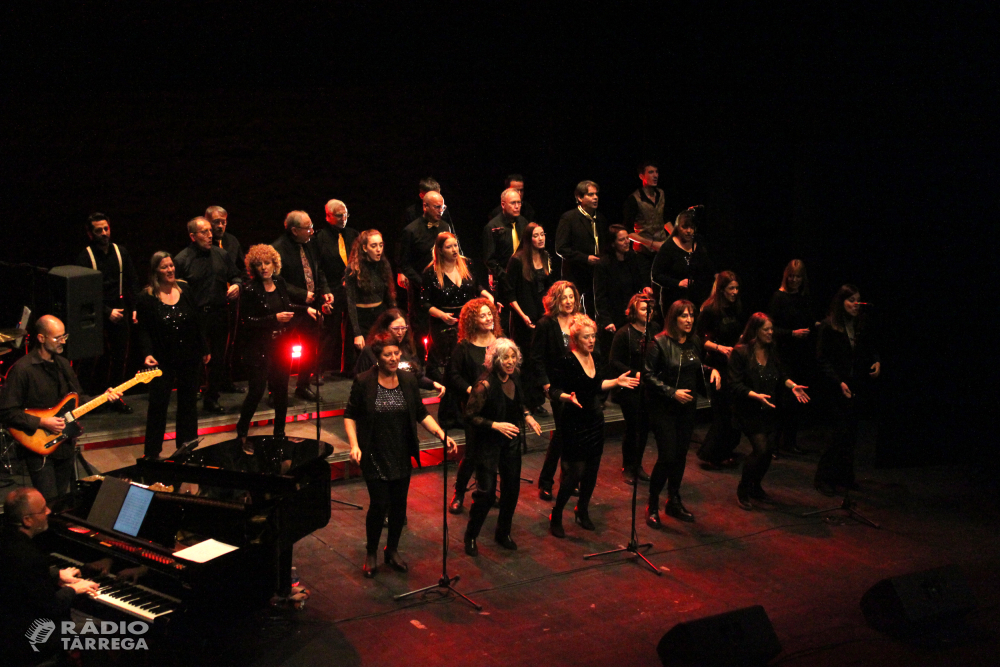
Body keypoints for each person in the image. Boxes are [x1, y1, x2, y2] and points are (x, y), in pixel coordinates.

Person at [346, 333, 457, 578]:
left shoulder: (407, 380)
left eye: (396, 353)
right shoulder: (364, 381)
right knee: (379, 505)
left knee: (399, 506)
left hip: (400, 451)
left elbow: (420, 412)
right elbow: (350, 415)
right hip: (374, 453)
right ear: (377, 357)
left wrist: (441, 434)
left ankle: (392, 549)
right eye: (388, 354)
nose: (394, 358)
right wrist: (354, 445)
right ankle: (371, 551)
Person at [0, 316, 120, 500]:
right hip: (39, 449)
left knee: (63, 501)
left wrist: (104, 398)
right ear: (41, 338)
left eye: (64, 336)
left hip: (65, 445)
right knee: (49, 502)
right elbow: (7, 412)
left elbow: (79, 400)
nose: (62, 342)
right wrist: (42, 421)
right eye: (57, 338)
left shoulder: (63, 364)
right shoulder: (22, 370)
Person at [548, 315, 639, 537]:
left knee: (592, 471)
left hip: (595, 419)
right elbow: (553, 390)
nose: (591, 340)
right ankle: (557, 513)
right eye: (586, 337)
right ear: (576, 339)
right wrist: (566, 398)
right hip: (575, 421)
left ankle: (583, 510)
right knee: (575, 472)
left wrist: (617, 382)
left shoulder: (595, 357)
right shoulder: (567, 361)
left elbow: (597, 384)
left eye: (593, 336)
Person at [0, 487, 101, 665]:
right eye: (43, 509)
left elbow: (20, 573)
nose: (49, 512)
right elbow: (51, 606)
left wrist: (56, 574)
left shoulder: (7, 538)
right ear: (27, 520)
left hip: (9, 625)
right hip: (26, 635)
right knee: (103, 627)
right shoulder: (29, 556)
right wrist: (73, 589)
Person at [643, 300, 721, 526]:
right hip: (664, 409)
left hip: (687, 408)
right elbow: (647, 375)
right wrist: (671, 392)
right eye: (684, 316)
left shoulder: (694, 341)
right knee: (667, 455)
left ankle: (673, 500)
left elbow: (694, 365)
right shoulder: (658, 343)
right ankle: (653, 502)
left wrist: (711, 369)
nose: (689, 320)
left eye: (691, 316)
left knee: (679, 456)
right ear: (673, 318)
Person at [462, 338, 542, 556]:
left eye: (513, 357)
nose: (510, 361)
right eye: (505, 357)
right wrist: (495, 425)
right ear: (495, 359)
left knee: (511, 490)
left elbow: (520, 403)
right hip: (488, 443)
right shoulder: (484, 385)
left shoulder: (515, 378)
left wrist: (527, 417)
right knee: (486, 493)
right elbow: (470, 416)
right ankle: (471, 535)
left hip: (511, 441)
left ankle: (503, 532)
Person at [235, 245, 314, 453]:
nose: (263, 268)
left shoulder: (279, 283)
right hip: (260, 348)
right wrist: (273, 319)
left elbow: (287, 307)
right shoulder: (250, 289)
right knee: (257, 391)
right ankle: (241, 433)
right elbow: (246, 321)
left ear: (274, 264)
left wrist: (307, 309)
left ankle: (279, 433)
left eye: (267, 263)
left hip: (280, 345)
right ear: (253, 267)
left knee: (281, 391)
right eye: (259, 264)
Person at [729, 313, 811, 510]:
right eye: (766, 329)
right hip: (749, 409)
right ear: (756, 330)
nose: (770, 333)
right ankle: (744, 488)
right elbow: (734, 384)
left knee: (768, 452)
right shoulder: (740, 353)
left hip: (769, 408)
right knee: (761, 449)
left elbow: (781, 374)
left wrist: (792, 386)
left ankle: (756, 486)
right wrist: (754, 395)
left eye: (771, 329)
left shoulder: (772, 350)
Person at [135, 252, 209, 460]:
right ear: (155, 272)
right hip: (162, 359)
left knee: (188, 404)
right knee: (158, 405)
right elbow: (144, 330)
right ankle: (152, 453)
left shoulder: (185, 289)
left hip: (190, 356)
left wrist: (204, 348)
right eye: (164, 267)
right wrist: (147, 353)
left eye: (171, 266)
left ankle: (186, 448)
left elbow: (197, 321)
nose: (170, 270)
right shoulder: (146, 297)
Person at [814, 285, 881, 496]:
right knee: (836, 434)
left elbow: (870, 346)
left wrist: (877, 361)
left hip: (855, 384)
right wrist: (837, 382)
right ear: (841, 302)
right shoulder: (829, 326)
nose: (856, 304)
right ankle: (824, 478)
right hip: (835, 386)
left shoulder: (861, 323)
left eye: (858, 300)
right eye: (851, 300)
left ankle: (844, 476)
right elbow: (822, 359)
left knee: (851, 434)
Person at [174, 216, 242, 413]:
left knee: (219, 359)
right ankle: (190, 397)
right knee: (195, 361)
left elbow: (236, 275)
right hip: (196, 318)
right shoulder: (182, 260)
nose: (210, 235)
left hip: (220, 314)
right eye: (205, 232)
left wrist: (237, 285)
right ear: (193, 236)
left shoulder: (221, 255)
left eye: (210, 231)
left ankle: (212, 397)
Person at [74, 211, 138, 412]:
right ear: (90, 233)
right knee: (91, 358)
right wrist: (106, 312)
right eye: (98, 230)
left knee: (120, 358)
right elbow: (82, 293)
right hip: (95, 314)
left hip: (120, 310)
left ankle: (116, 398)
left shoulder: (121, 252)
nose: (104, 233)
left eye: (106, 228)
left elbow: (132, 281)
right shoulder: (85, 256)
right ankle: (85, 400)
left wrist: (135, 308)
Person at [445, 298, 503, 513]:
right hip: (473, 408)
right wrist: (472, 391)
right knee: (473, 453)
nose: (488, 318)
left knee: (493, 451)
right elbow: (452, 375)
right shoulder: (464, 346)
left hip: (496, 406)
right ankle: (459, 491)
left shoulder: (500, 341)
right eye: (483, 315)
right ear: (472, 320)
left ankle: (487, 491)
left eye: (490, 314)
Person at [271, 211, 334, 402]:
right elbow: (276, 280)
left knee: (310, 348)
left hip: (311, 307)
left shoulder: (310, 244)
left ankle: (303, 385)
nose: (312, 231)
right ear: (294, 230)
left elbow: (318, 270)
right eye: (307, 228)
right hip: (289, 308)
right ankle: (276, 391)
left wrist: (325, 290)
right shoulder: (278, 249)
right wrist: (302, 295)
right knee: (281, 353)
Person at [531, 280, 583, 499]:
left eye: (572, 297)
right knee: (562, 433)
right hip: (556, 385)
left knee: (574, 433)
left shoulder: (581, 322)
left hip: (578, 383)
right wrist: (545, 384)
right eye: (564, 297)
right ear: (555, 300)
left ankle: (568, 478)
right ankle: (546, 481)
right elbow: (536, 357)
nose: (569, 301)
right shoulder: (546, 324)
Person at [421, 232, 492, 383]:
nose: (454, 250)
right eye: (449, 247)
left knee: (470, 358)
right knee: (451, 362)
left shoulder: (467, 264)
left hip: (468, 318)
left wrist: (488, 295)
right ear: (440, 250)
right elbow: (424, 303)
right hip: (445, 322)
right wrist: (441, 315)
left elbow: (477, 285)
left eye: (455, 245)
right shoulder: (431, 272)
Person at [502, 222, 554, 415]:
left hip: (543, 315)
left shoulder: (546, 256)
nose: (541, 238)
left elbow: (549, 287)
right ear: (528, 238)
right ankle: (523, 403)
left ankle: (537, 400)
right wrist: (523, 316)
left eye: (542, 234)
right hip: (524, 316)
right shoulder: (517, 260)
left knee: (539, 359)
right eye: (536, 235)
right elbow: (510, 293)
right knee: (525, 360)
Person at [696, 271, 746, 469]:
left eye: (736, 288)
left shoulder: (735, 307)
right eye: (731, 288)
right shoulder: (709, 310)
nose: (735, 292)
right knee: (722, 411)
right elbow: (698, 339)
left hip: (733, 363)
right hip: (716, 363)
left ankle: (725, 449)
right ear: (722, 289)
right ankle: (711, 453)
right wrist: (719, 348)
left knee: (734, 410)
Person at [767, 259, 816, 456]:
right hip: (783, 353)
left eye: (798, 277)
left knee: (798, 400)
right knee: (782, 400)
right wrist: (791, 333)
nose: (794, 280)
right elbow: (770, 329)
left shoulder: (804, 298)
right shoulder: (778, 297)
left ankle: (790, 442)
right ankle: (773, 444)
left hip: (801, 355)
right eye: (792, 276)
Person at [396, 189, 459, 332]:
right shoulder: (411, 231)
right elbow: (405, 264)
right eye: (437, 207)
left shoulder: (444, 226)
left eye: (442, 207)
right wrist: (423, 283)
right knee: (421, 328)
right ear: (425, 207)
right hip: (420, 288)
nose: (440, 211)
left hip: (444, 286)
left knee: (445, 326)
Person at [608, 294, 654, 485]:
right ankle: (628, 466)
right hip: (631, 387)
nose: (647, 313)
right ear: (634, 312)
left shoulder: (654, 331)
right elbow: (613, 361)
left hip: (649, 387)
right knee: (633, 426)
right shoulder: (624, 333)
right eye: (644, 309)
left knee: (644, 428)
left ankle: (638, 465)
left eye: (649, 309)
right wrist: (634, 373)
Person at [353, 308, 445, 398]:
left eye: (403, 328)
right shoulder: (370, 351)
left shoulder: (408, 348)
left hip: (407, 399)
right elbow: (360, 381)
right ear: (385, 328)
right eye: (396, 328)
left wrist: (433, 384)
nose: (400, 332)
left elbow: (417, 377)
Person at [314, 199, 360, 375]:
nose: (343, 218)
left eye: (346, 215)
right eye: (339, 215)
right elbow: (318, 267)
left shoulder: (353, 234)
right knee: (329, 333)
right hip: (332, 289)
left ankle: (349, 367)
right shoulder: (320, 238)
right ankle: (318, 370)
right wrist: (325, 290)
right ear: (328, 216)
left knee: (352, 329)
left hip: (351, 288)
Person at [206, 205, 247, 394]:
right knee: (208, 345)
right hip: (209, 303)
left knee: (229, 343)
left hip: (231, 301)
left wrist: (238, 285)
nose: (220, 226)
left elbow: (241, 270)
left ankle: (226, 380)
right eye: (216, 222)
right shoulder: (203, 243)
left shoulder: (231, 241)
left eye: (223, 222)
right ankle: (204, 385)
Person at [593, 224, 652, 354]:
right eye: (622, 240)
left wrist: (645, 287)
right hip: (613, 317)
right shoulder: (603, 264)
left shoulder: (632, 258)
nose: (627, 242)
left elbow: (639, 280)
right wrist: (606, 320)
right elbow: (600, 296)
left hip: (630, 314)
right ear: (613, 243)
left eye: (627, 238)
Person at [555, 180, 608, 316]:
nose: (595, 197)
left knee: (594, 311)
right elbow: (561, 248)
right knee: (573, 312)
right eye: (590, 195)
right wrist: (585, 258)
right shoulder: (569, 218)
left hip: (596, 273)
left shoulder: (600, 218)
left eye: (596, 194)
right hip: (575, 273)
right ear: (579, 197)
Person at [651, 206, 716, 315]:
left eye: (692, 227)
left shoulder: (699, 242)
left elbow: (708, 267)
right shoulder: (669, 247)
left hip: (697, 299)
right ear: (677, 227)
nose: (689, 231)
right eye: (685, 227)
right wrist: (677, 283)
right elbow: (656, 275)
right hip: (674, 300)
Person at [345, 229, 397, 356]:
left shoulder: (383, 265)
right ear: (364, 247)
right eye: (374, 246)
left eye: (381, 245)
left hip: (379, 316)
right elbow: (350, 302)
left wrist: (395, 318)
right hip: (361, 318)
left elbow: (389, 296)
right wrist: (357, 333)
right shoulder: (353, 269)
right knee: (363, 360)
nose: (378, 249)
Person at [624, 161, 671, 285]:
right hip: (642, 253)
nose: (655, 175)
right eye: (650, 172)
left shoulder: (661, 194)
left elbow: (664, 220)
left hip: (661, 250)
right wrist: (652, 244)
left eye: (656, 172)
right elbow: (628, 232)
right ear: (641, 176)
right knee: (647, 286)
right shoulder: (634, 199)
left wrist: (676, 237)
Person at [482, 187, 529, 299]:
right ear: (503, 205)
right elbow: (488, 259)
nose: (517, 206)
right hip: (503, 280)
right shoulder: (492, 227)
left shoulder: (523, 222)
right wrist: (505, 275)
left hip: (524, 277)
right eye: (513, 203)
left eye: (519, 202)